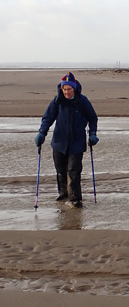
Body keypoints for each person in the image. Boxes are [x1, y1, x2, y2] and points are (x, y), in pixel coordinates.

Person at [34, 72, 98, 208]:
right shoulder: (57, 101)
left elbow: (93, 118)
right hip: (59, 142)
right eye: (64, 89)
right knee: (60, 170)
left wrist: (92, 133)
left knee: (74, 171)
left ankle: (75, 198)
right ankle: (63, 194)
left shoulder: (82, 101)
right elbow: (48, 118)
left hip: (77, 142)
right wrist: (42, 133)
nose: (66, 92)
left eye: (69, 89)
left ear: (74, 89)